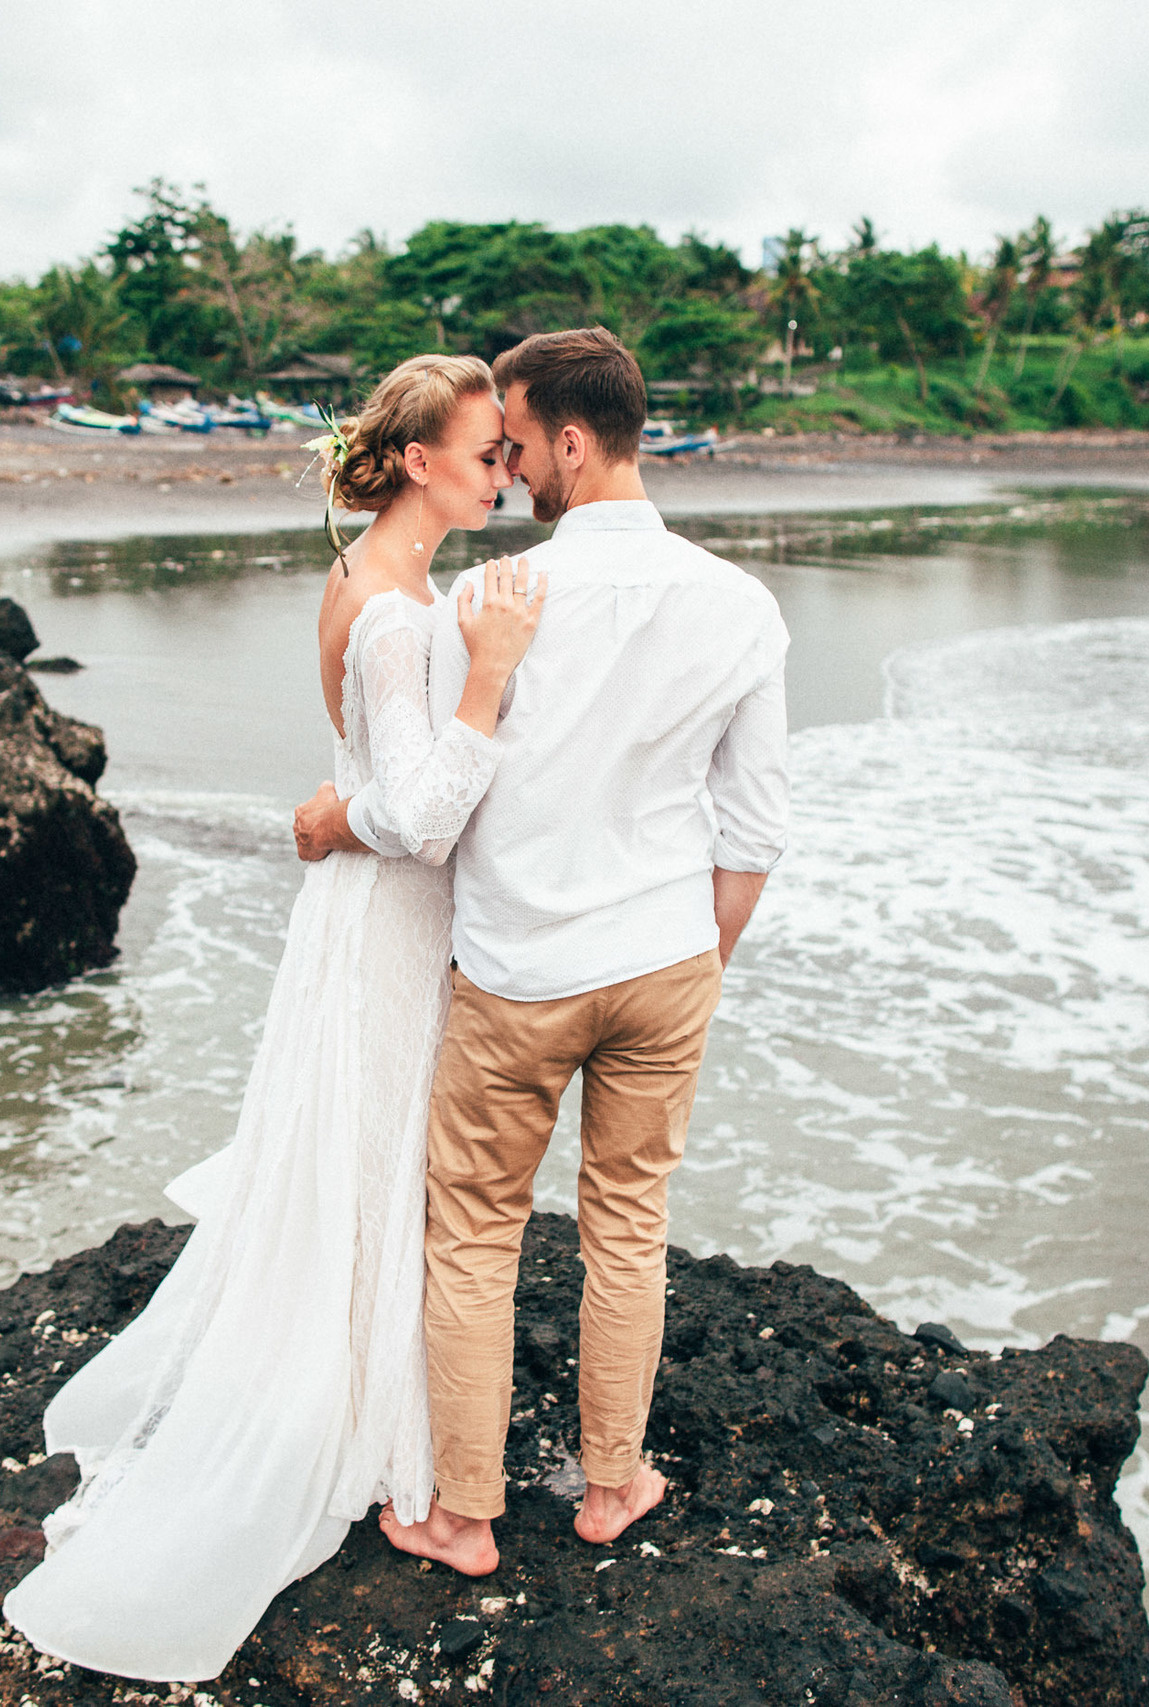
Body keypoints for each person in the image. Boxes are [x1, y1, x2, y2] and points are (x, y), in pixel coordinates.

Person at [2, 354, 545, 1682]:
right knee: (376, 1171)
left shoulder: (359, 570)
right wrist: (493, 679)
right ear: (419, 458)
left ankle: (345, 1395)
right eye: (487, 451)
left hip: (350, 914)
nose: (505, 473)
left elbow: (359, 779)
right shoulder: (415, 618)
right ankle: (358, 1426)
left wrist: (346, 804)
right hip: (390, 924)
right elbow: (418, 814)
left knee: (354, 1161)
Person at [296, 327, 790, 1577]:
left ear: (570, 441)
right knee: (627, 1224)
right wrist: (699, 963)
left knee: (475, 1234)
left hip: (518, 974)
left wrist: (336, 819)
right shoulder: (741, 604)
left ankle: (465, 1514)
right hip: (667, 961)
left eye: (515, 442)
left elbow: (432, 801)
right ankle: (611, 1484)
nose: (511, 469)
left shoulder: (489, 602)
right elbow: (754, 825)